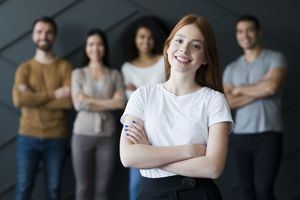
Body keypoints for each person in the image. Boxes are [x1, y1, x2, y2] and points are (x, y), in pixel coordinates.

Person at [119, 14, 233, 200]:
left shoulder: (215, 101)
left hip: (198, 193)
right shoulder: (143, 95)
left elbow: (213, 168)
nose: (184, 49)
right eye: (179, 41)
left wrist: (151, 155)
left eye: (195, 45)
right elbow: (128, 157)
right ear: (167, 47)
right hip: (150, 193)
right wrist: (188, 151)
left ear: (205, 57)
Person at [223, 15, 287, 200]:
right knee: (246, 192)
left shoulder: (275, 58)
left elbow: (271, 87)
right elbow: (227, 102)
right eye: (240, 31)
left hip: (269, 135)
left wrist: (239, 89)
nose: (245, 35)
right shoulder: (231, 68)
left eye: (249, 30)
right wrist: (261, 88)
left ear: (258, 32)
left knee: (264, 191)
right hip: (241, 136)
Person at [12, 16, 73, 200]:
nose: (43, 36)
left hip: (57, 137)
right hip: (27, 136)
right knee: (23, 188)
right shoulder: (24, 68)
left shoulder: (65, 67)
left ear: (54, 36)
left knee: (53, 190)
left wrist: (33, 96)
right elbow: (19, 100)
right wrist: (54, 94)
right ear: (33, 35)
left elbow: (69, 102)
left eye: (48, 32)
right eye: (39, 32)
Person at [71, 29, 125, 200]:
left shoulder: (115, 74)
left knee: (103, 189)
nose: (95, 48)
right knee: (83, 187)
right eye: (91, 44)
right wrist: (108, 102)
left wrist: (90, 100)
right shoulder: (78, 74)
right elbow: (78, 104)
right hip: (81, 135)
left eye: (100, 44)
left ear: (105, 48)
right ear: (86, 48)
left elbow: (120, 103)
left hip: (107, 136)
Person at [120, 16, 167, 200]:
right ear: (135, 40)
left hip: (163, 126)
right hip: (136, 128)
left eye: (149, 37)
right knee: (136, 185)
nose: (145, 41)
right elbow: (130, 102)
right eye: (141, 37)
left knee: (165, 178)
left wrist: (137, 90)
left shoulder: (164, 60)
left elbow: (167, 93)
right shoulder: (127, 67)